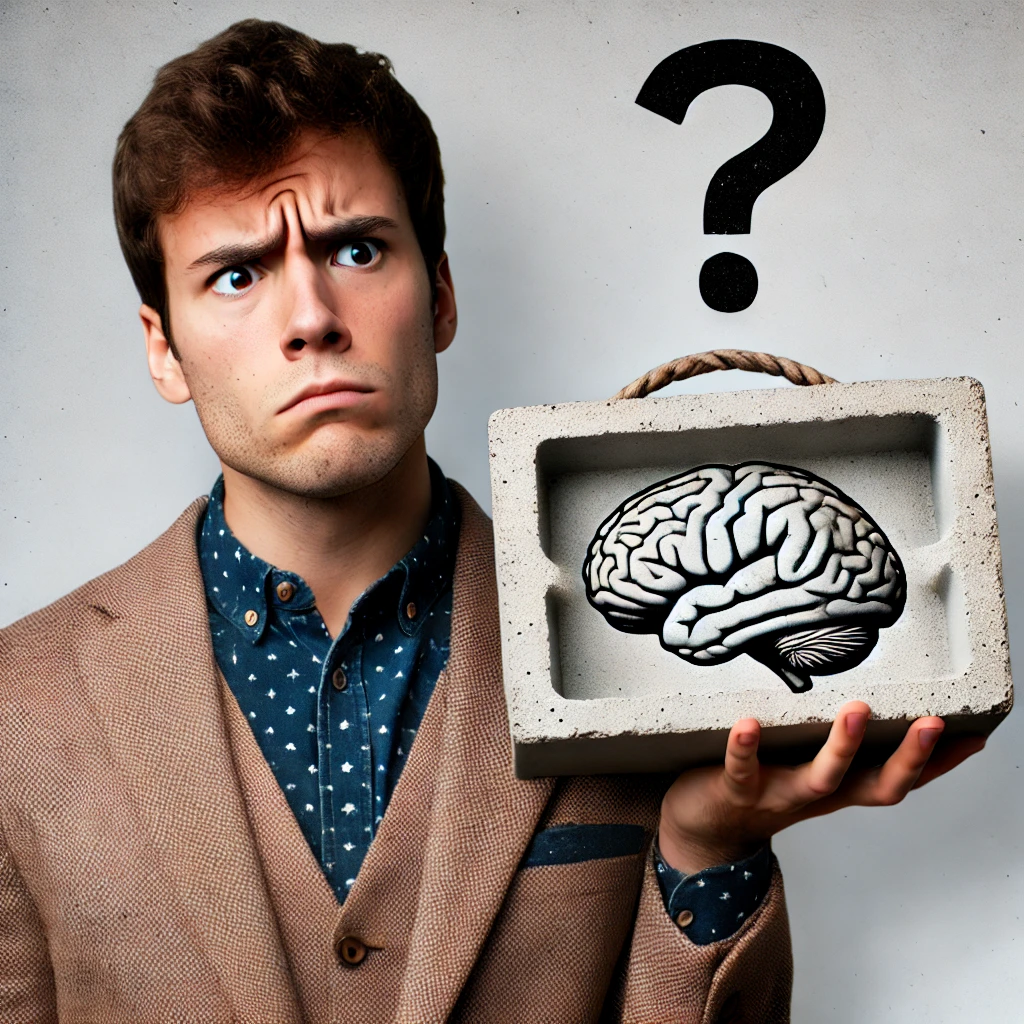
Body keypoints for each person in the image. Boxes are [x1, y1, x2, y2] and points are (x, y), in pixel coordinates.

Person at [0, 19, 985, 1023]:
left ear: (438, 295)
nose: (310, 317)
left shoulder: (634, 662)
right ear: (162, 348)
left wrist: (707, 843)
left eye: (355, 247)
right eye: (237, 274)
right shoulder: (17, 712)